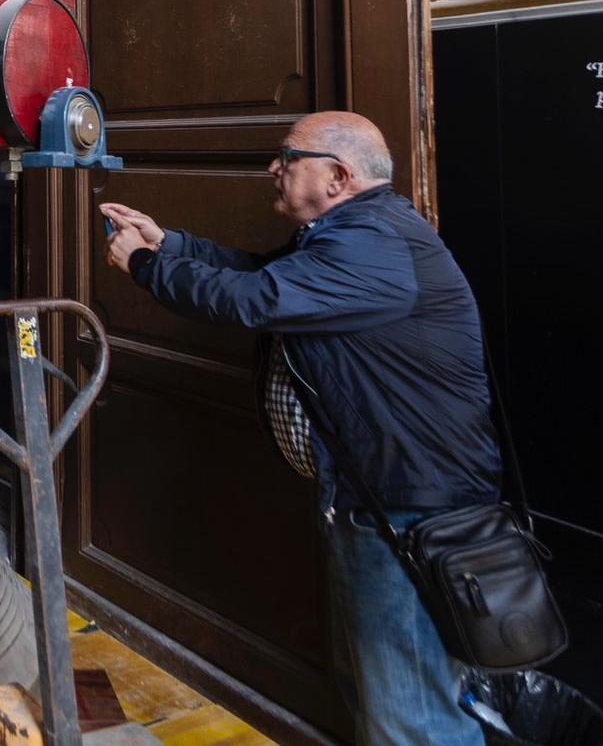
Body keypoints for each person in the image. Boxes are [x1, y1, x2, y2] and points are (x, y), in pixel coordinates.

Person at [100, 111, 499, 746]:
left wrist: (148, 266)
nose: (274, 169)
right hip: (378, 500)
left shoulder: (371, 243)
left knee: (412, 711)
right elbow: (262, 276)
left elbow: (253, 301)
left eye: (288, 156)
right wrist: (171, 242)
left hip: (408, 511)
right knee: (380, 687)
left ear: (338, 175)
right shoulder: (350, 232)